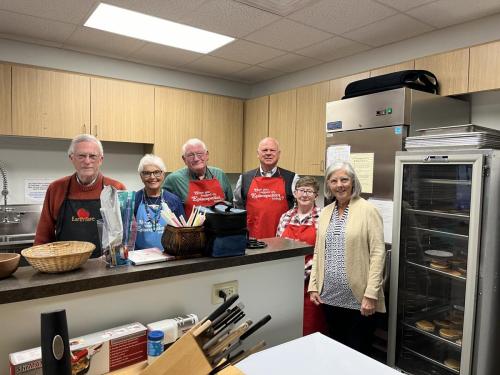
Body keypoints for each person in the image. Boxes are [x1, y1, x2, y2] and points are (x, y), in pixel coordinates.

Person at [308, 161, 386, 355]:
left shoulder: (368, 210)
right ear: (328, 185)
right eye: (334, 180)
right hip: (330, 296)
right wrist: (314, 285)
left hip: (359, 299)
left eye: (344, 179)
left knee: (358, 352)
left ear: (353, 182)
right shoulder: (325, 212)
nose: (339, 185)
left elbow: (378, 253)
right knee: (336, 349)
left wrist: (371, 294)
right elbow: (319, 251)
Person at [34, 134, 126, 257]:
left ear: (101, 159)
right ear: (72, 158)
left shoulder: (116, 189)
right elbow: (43, 236)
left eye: (92, 156)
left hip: (105, 266)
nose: (87, 161)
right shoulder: (56, 189)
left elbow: (126, 236)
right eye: (81, 156)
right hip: (65, 265)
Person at [276, 176, 326, 336]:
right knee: (288, 325)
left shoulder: (323, 216)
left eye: (309, 191)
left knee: (311, 327)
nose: (305, 195)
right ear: (295, 193)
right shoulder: (285, 217)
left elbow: (325, 250)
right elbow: (278, 247)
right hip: (287, 281)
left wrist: (304, 272)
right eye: (301, 191)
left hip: (312, 284)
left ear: (316, 196)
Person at [234, 137, 299, 239]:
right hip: (252, 241)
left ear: (278, 154)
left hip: (283, 240)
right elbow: (238, 206)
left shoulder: (292, 178)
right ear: (258, 154)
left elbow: (299, 209)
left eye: (272, 150)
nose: (268, 153)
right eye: (264, 150)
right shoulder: (244, 178)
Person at [163, 138, 233, 217]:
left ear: (207, 155)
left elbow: (231, 205)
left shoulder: (220, 174)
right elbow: (164, 210)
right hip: (191, 229)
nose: (196, 159)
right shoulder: (174, 180)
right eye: (190, 155)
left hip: (220, 228)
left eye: (199, 154)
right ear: (184, 159)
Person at [134, 154, 185, 250]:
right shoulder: (134, 200)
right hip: (140, 259)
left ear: (163, 174)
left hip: (168, 256)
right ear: (141, 176)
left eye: (156, 172)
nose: (152, 177)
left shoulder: (174, 201)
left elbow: (183, 233)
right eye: (147, 173)